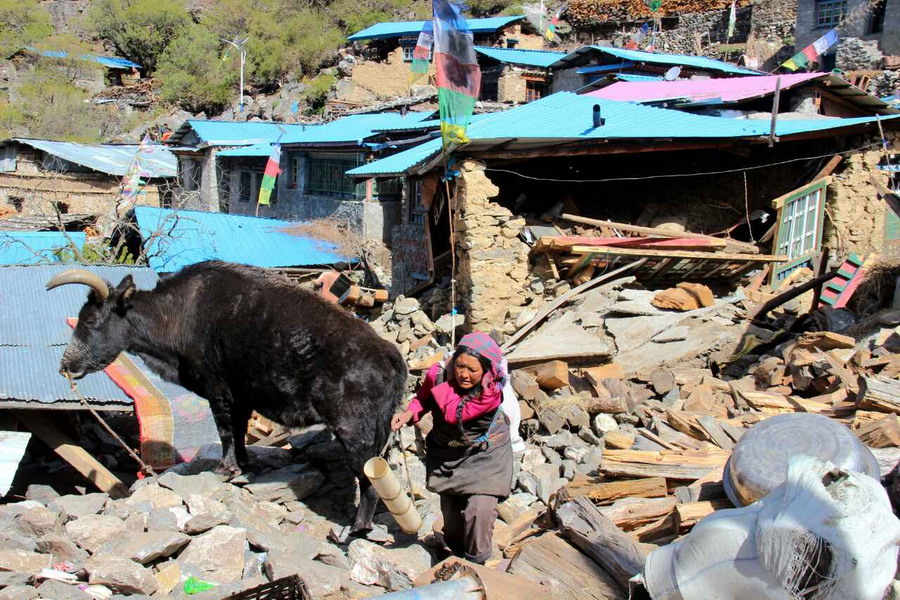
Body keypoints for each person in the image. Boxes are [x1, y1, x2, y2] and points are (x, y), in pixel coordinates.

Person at [391, 332, 514, 564]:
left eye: (472, 370)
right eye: (459, 366)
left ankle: (477, 564)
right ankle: (457, 556)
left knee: (479, 511)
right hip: (447, 454)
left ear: (486, 369)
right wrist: (409, 413)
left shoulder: (490, 390)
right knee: (452, 519)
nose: (464, 374)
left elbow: (452, 411)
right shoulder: (437, 375)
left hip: (486, 455)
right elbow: (423, 398)